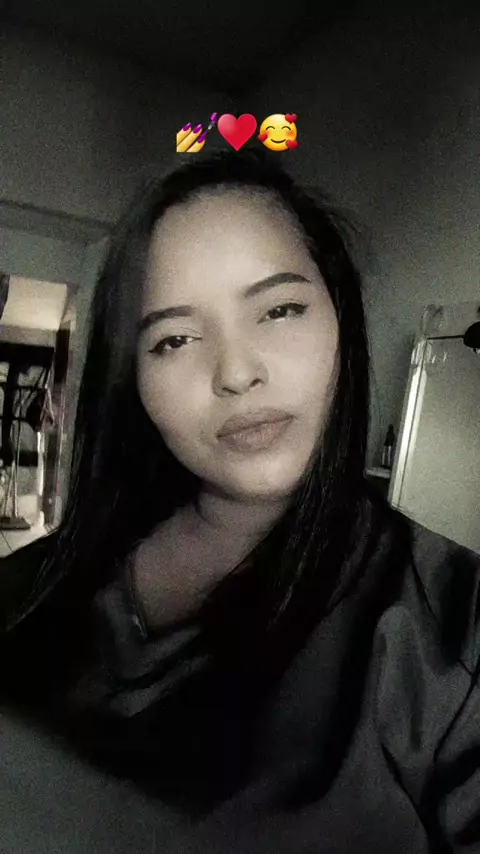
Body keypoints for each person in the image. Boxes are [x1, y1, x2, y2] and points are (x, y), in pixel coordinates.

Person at [0, 149, 479, 854]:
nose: (235, 372)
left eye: (279, 310)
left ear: (340, 317)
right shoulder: (27, 589)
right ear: (131, 378)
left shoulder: (453, 625)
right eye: (174, 339)